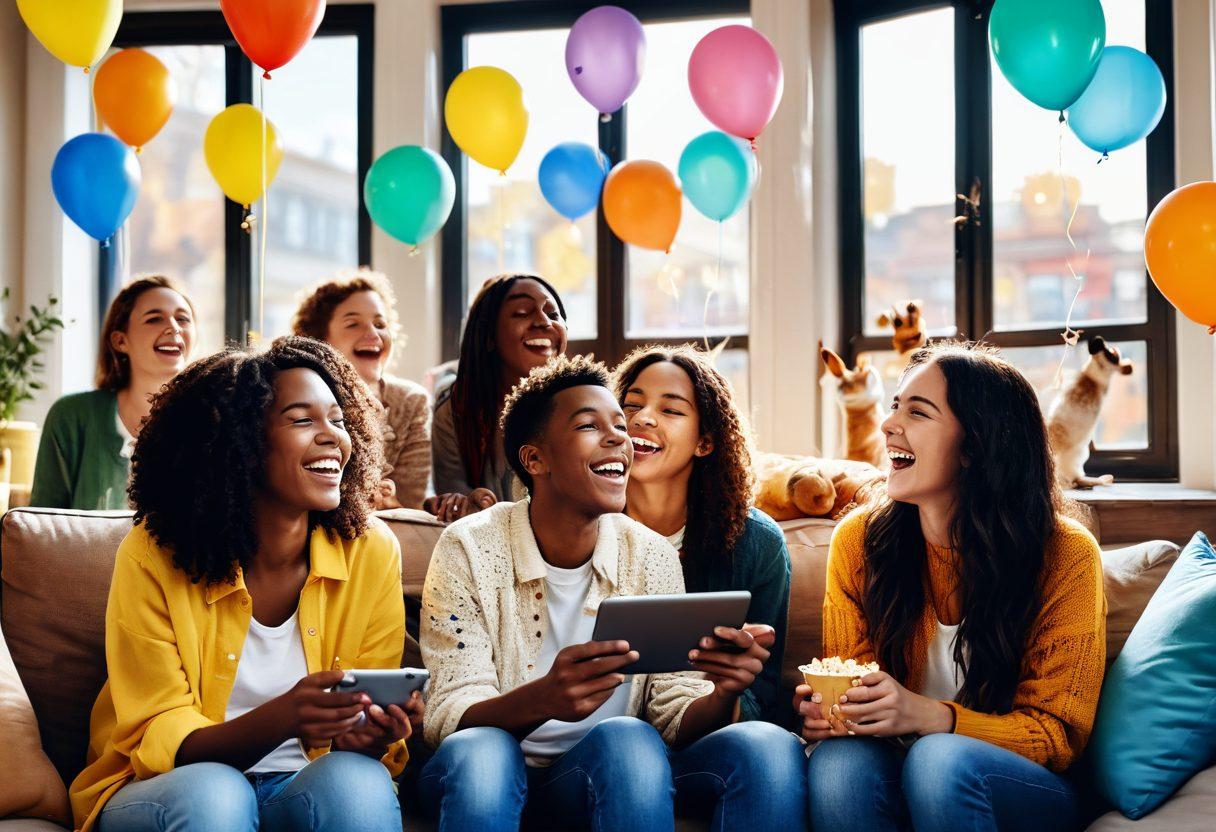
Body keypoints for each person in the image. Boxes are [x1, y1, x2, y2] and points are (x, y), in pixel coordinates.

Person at [418, 355, 806, 832]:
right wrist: (545, 699)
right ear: (534, 458)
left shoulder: (650, 555)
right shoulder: (469, 547)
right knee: (485, 753)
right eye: (588, 425)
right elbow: (448, 716)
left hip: (598, 767)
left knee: (755, 746)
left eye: (619, 426)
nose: (619, 436)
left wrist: (724, 689)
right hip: (493, 764)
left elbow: (672, 709)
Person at [69, 337, 420, 832]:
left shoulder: (371, 550)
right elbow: (158, 734)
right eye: (302, 420)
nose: (332, 438)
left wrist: (372, 736)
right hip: (168, 787)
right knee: (217, 791)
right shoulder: (155, 551)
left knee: (355, 782)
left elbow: (356, 744)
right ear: (238, 443)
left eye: (339, 421)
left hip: (297, 784)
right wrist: (286, 716)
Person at [796, 341, 1106, 832]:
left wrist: (931, 717)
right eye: (895, 405)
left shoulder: (1065, 555)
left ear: (975, 446)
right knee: (838, 767)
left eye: (918, 412)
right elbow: (851, 678)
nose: (888, 423)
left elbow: (1056, 738)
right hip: (899, 760)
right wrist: (834, 713)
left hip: (1023, 781)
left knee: (938, 760)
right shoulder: (858, 541)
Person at [614, 344, 791, 725]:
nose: (642, 417)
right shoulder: (579, 528)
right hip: (602, 736)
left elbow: (761, 695)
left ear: (704, 442)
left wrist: (728, 685)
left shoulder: (758, 544)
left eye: (671, 410)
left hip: (706, 733)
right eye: (631, 405)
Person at [30, 276, 196, 510]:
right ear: (120, 341)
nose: (174, 327)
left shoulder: (208, 422)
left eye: (183, 318)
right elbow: (43, 526)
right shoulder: (70, 416)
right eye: (154, 319)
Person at [428, 273, 567, 522]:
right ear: (489, 336)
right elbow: (455, 503)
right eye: (523, 312)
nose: (544, 321)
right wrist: (466, 502)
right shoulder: (456, 412)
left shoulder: (584, 405)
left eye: (553, 314)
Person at [293, 270, 430, 509]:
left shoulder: (411, 400)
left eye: (380, 324)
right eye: (353, 324)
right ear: (319, 339)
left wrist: (390, 501)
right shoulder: (300, 398)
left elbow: (409, 504)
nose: (372, 333)